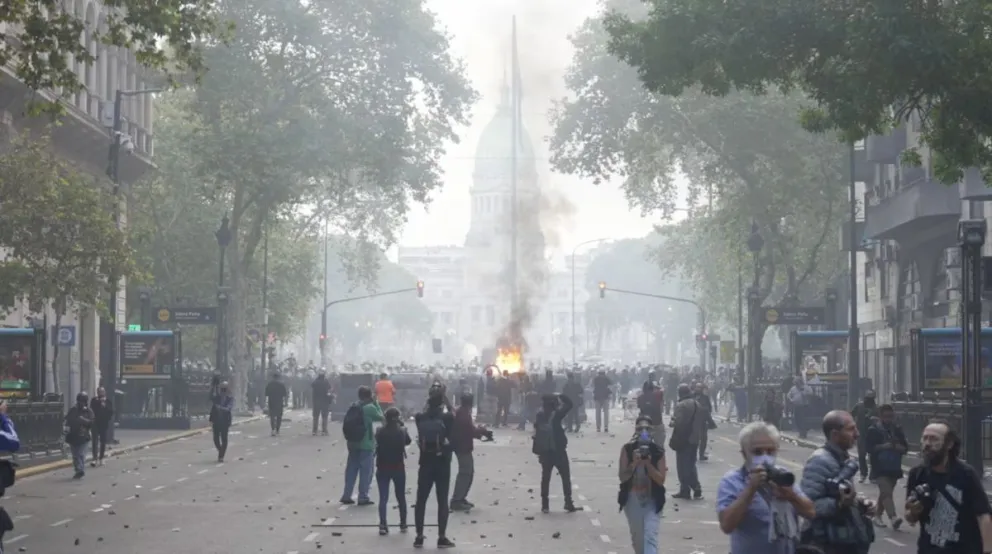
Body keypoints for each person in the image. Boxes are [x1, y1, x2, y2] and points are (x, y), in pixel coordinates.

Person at [717, 422, 814, 554]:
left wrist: (791, 496)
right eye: (757, 452)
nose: (765, 456)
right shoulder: (732, 481)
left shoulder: (782, 475)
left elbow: (811, 512)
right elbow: (727, 525)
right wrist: (750, 489)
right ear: (744, 454)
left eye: (770, 451)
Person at [904, 420, 992, 554]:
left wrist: (987, 551)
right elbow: (910, 517)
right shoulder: (917, 474)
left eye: (934, 439)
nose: (927, 444)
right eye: (925, 438)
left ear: (949, 444)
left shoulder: (966, 474)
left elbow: (983, 515)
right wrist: (913, 512)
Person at [798, 411, 875, 554]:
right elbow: (807, 506)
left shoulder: (840, 458)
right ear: (835, 434)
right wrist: (838, 504)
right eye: (851, 429)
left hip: (844, 543)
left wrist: (859, 504)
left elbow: (841, 497)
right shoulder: (819, 461)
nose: (857, 434)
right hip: (826, 545)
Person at [412, 382, 456, 548]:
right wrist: (446, 398)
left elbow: (423, 414)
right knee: (442, 500)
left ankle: (419, 536)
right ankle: (442, 536)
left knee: (421, 500)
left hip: (425, 462)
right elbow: (453, 414)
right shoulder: (447, 417)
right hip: (443, 462)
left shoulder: (419, 417)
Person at [618, 415, 667, 554]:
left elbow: (660, 480)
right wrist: (634, 463)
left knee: (650, 536)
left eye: (647, 429)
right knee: (638, 539)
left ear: (652, 431)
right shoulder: (627, 449)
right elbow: (622, 477)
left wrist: (647, 464)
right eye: (640, 428)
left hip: (652, 498)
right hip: (632, 498)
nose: (644, 432)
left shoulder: (658, 451)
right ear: (635, 430)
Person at [533, 392, 578, 513]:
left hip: (545, 452)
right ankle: (568, 502)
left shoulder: (540, 416)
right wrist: (561, 395)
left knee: (545, 477)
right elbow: (569, 404)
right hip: (558, 451)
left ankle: (545, 505)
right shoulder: (557, 415)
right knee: (565, 477)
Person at [863, 404, 906, 529]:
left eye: (891, 416)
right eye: (886, 416)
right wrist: (883, 446)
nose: (889, 419)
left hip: (894, 466)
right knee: (886, 492)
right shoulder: (873, 430)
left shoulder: (897, 429)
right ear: (880, 416)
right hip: (879, 467)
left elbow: (905, 447)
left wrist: (897, 447)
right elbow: (869, 448)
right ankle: (893, 518)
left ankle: (877, 516)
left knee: (884, 493)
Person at [340, 386, 383, 506]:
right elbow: (381, 416)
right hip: (366, 444)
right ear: (369, 396)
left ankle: (346, 495)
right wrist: (376, 403)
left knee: (351, 470)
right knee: (366, 472)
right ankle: (363, 496)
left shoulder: (353, 406)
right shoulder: (369, 408)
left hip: (352, 443)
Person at [375, 407, 411, 535]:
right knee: (401, 497)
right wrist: (401, 425)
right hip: (398, 468)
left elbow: (377, 439)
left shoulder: (380, 431)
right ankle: (403, 523)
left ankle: (383, 524)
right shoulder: (401, 431)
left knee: (383, 497)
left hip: (382, 467)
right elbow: (408, 441)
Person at [669, 384, 703, 499]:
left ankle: (685, 489)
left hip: (684, 439)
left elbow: (678, 422)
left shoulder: (681, 405)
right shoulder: (697, 404)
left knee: (682, 465)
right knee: (691, 464)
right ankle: (696, 486)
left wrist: (672, 422)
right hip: (695, 438)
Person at [64, 393, 94, 479]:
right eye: (79, 401)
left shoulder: (88, 411)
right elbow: (67, 420)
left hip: (84, 436)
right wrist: (66, 428)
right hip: (73, 436)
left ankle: (80, 469)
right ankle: (78, 469)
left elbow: (91, 422)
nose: (81, 403)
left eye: (83, 402)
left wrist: (83, 420)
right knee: (75, 455)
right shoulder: (73, 410)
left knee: (80, 454)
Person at [89, 387, 113, 467]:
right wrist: (99, 403)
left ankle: (101, 458)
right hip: (95, 423)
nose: (101, 393)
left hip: (104, 424)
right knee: (94, 441)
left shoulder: (108, 402)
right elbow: (91, 409)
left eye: (102, 391)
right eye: (99, 392)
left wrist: (104, 406)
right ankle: (94, 458)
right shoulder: (94, 401)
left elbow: (111, 412)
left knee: (103, 441)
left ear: (105, 392)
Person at [211, 381, 234, 462]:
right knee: (215, 439)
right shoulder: (217, 398)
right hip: (216, 421)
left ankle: (221, 456)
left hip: (225, 421)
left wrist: (220, 408)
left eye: (224, 389)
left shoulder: (230, 399)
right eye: (222, 389)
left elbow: (228, 408)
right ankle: (220, 450)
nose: (223, 391)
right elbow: (211, 399)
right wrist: (214, 387)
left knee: (224, 438)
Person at [311, 370, 332, 436]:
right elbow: (329, 388)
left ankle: (314, 431)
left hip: (316, 402)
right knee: (324, 417)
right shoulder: (326, 382)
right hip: (324, 402)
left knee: (315, 417)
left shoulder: (316, 382)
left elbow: (312, 385)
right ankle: (324, 431)